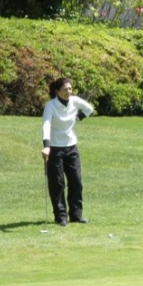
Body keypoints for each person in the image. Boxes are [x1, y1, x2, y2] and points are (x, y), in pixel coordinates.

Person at [41, 77, 94, 226]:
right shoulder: (50, 105)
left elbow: (89, 109)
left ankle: (76, 215)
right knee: (57, 183)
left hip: (71, 146)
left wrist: (78, 118)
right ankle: (61, 216)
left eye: (70, 89)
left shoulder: (75, 101)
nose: (68, 92)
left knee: (76, 181)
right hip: (55, 148)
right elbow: (46, 125)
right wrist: (46, 145)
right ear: (57, 91)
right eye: (65, 89)